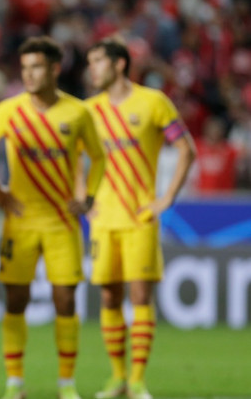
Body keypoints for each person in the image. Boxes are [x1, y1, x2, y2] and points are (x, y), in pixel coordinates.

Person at [0, 36, 106, 399]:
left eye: (36, 67)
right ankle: (14, 383)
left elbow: (99, 156)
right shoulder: (9, 110)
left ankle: (66, 384)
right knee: (15, 300)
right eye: (24, 68)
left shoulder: (77, 112)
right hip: (21, 221)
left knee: (65, 301)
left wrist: (87, 197)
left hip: (62, 222)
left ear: (55, 69)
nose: (29, 74)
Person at [85, 38, 196, 399]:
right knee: (109, 298)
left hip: (140, 216)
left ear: (119, 64)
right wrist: (83, 199)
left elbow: (186, 149)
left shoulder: (153, 102)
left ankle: (137, 381)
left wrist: (166, 198)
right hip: (103, 220)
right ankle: (117, 379)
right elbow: (71, 157)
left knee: (140, 296)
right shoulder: (88, 110)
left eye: (98, 61)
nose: (91, 69)